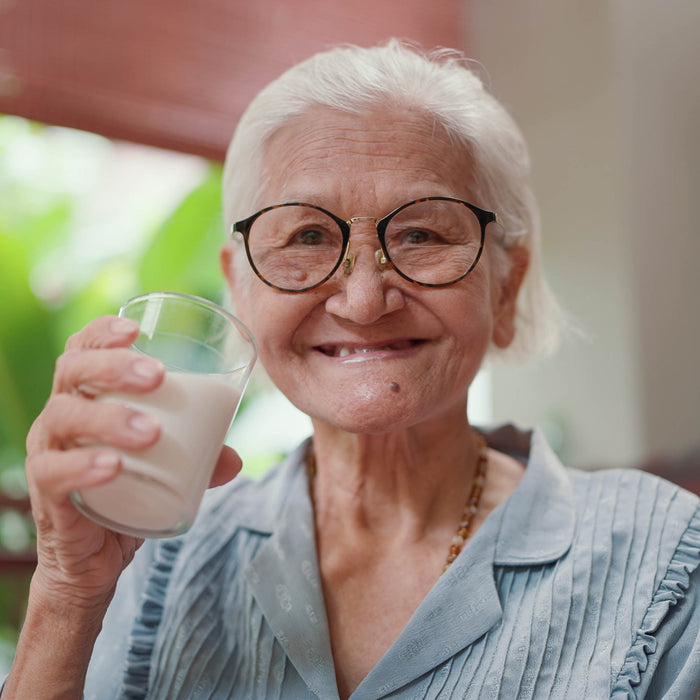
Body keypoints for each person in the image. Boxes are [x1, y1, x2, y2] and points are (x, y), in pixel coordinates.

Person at [4, 40, 699, 700]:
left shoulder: (666, 559)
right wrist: (67, 591)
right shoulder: (155, 555)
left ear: (506, 288)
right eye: (306, 236)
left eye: (422, 234)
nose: (365, 301)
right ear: (240, 287)